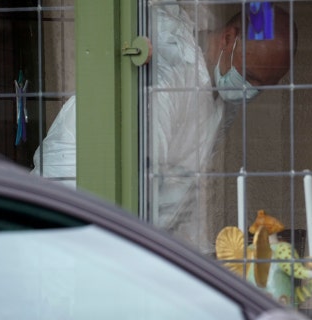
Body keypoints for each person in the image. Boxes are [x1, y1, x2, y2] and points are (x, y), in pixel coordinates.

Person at [31, 2, 296, 257]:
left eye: (262, 87)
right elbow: (132, 190)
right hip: (67, 231)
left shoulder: (218, 92)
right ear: (228, 38)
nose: (249, 90)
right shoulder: (168, 81)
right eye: (250, 77)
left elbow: (179, 193)